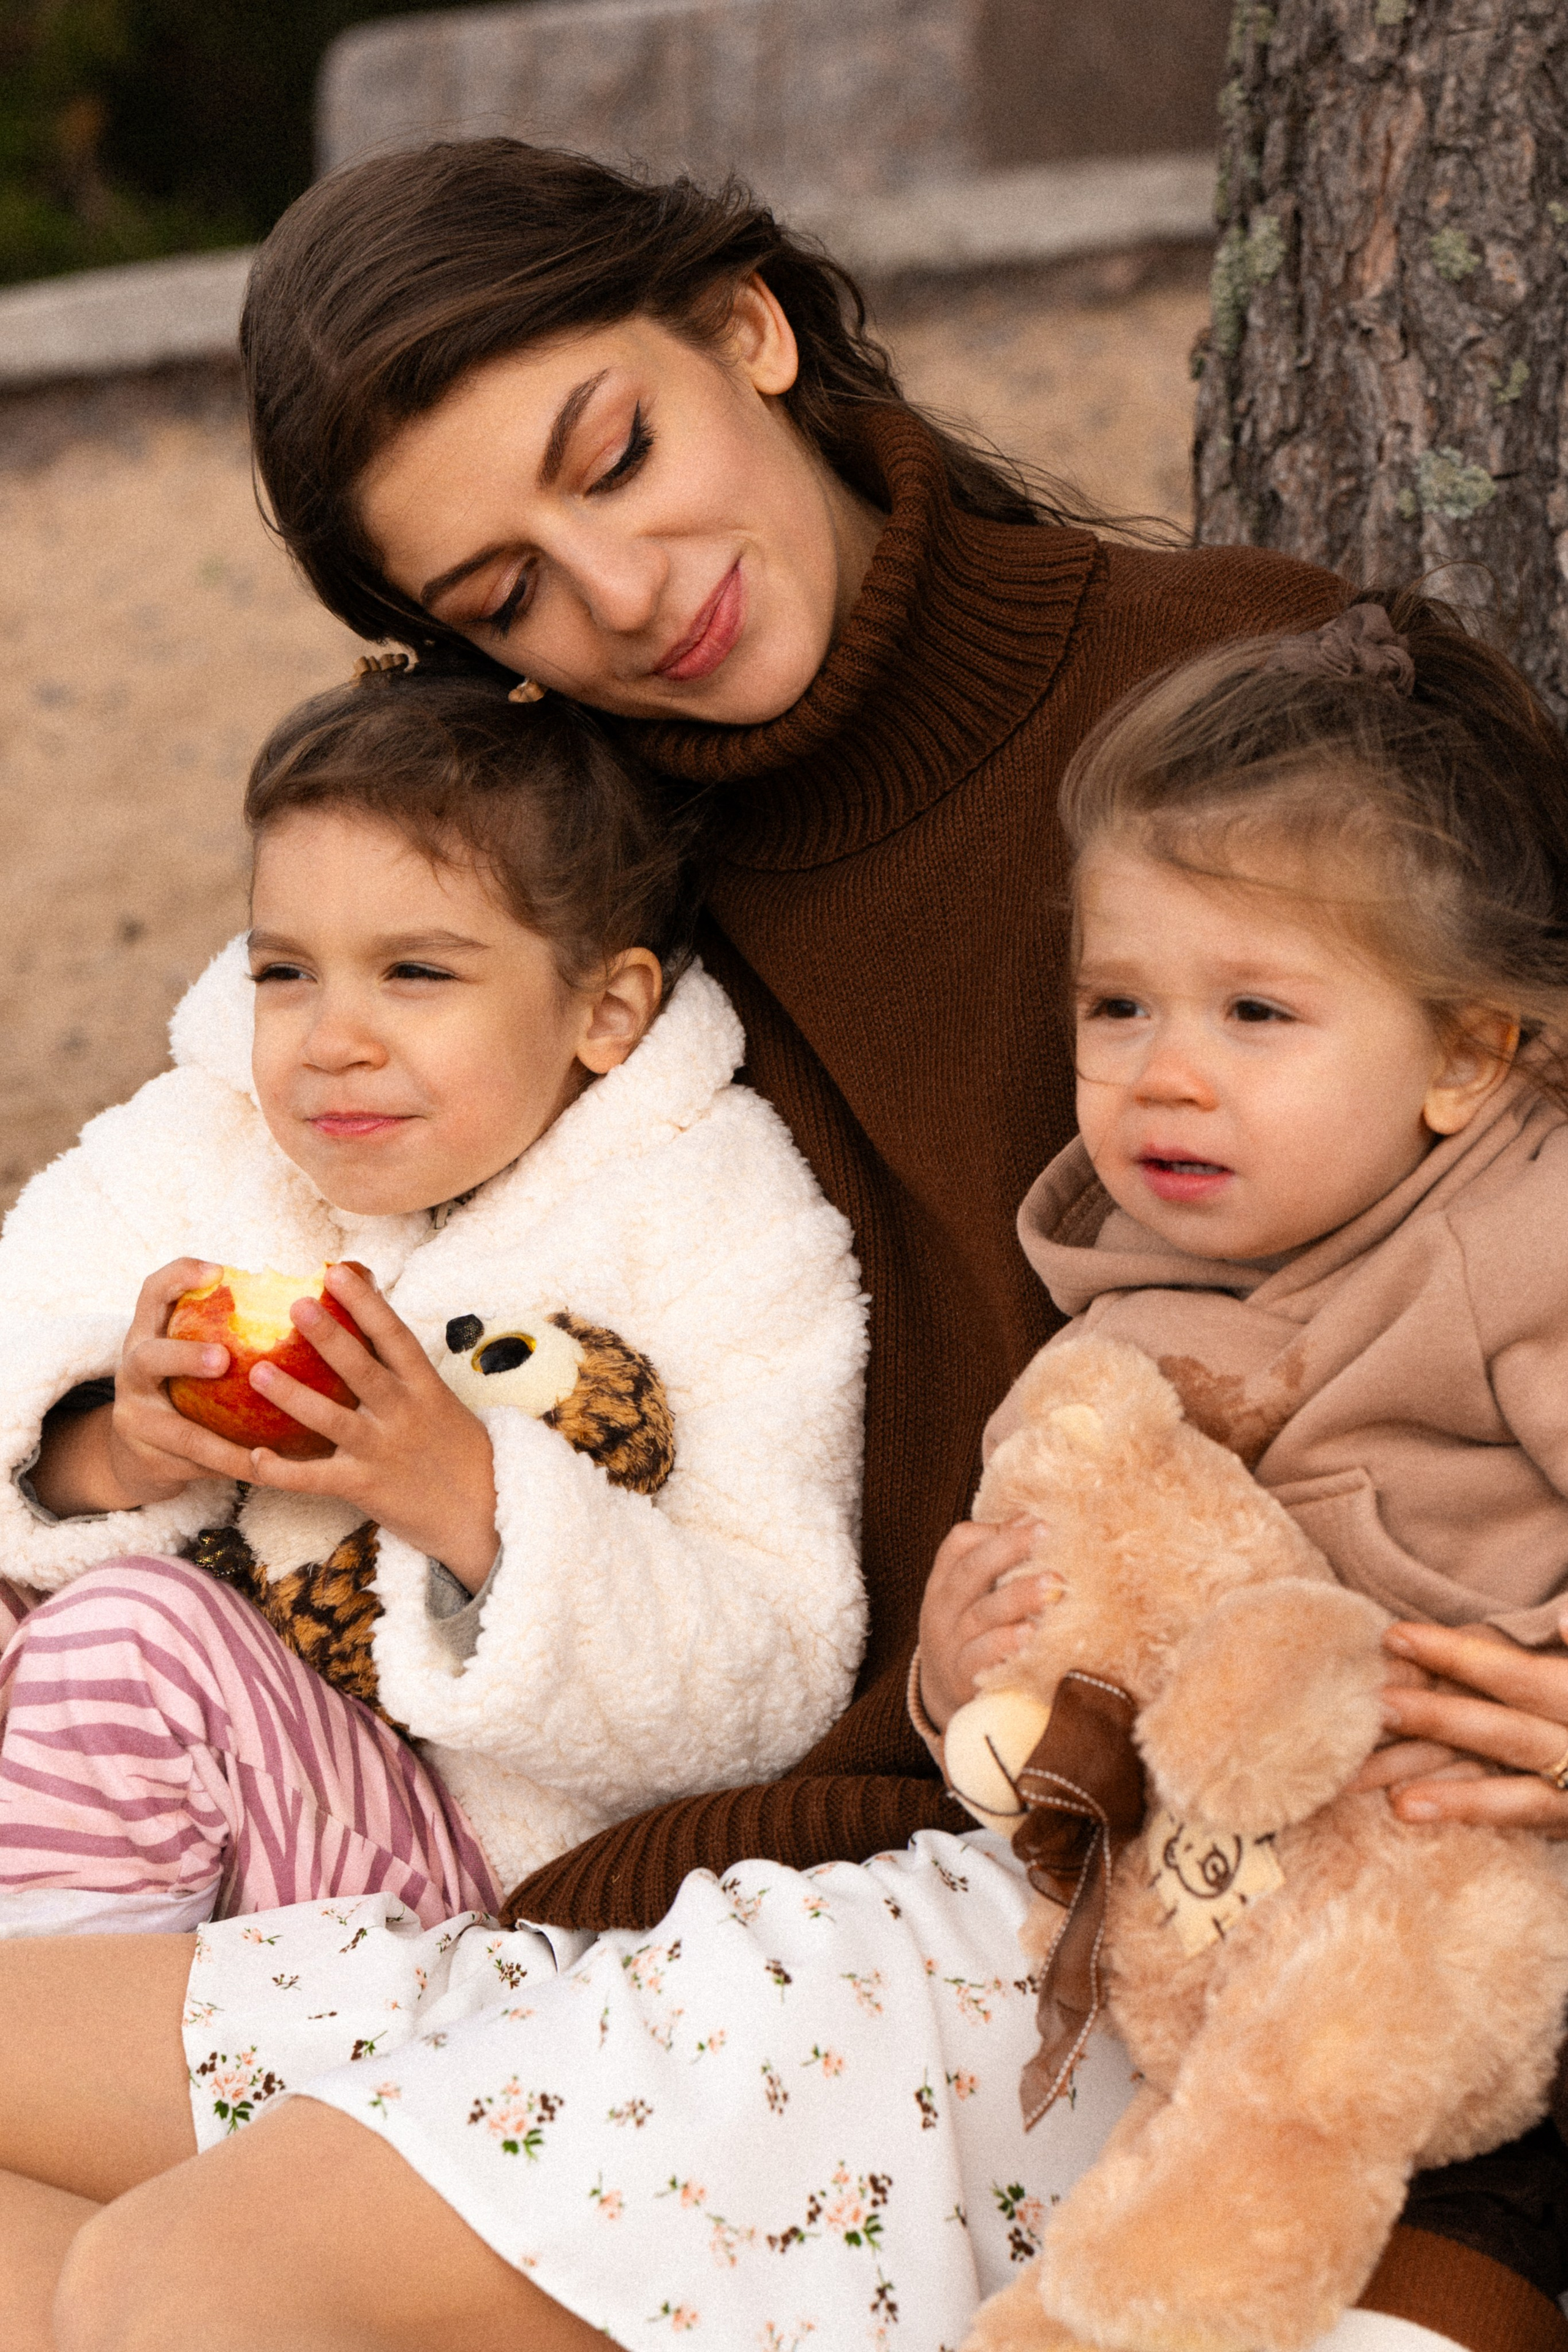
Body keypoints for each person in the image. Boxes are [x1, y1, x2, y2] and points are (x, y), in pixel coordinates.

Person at [5, 138, 1562, 2352]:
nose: (622, 594)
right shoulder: (581, 880)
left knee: (189, 2286)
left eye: (616, 458)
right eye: (509, 594)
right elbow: (224, 1137)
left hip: (1128, 1917)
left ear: (747, 327)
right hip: (697, 1892)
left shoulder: (1230, 702)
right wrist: (115, 1416)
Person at [0, 668, 867, 1937]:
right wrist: (117, 1448)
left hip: (444, 1872)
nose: (330, 1039)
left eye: (413, 971)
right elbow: (24, 1346)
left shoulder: (719, 1225)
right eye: (285, 972)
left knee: (133, 1635)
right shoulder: (195, 1144)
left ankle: (56, 2033)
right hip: (158, 1786)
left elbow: (777, 1676)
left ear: (605, 1010)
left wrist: (468, 1499)